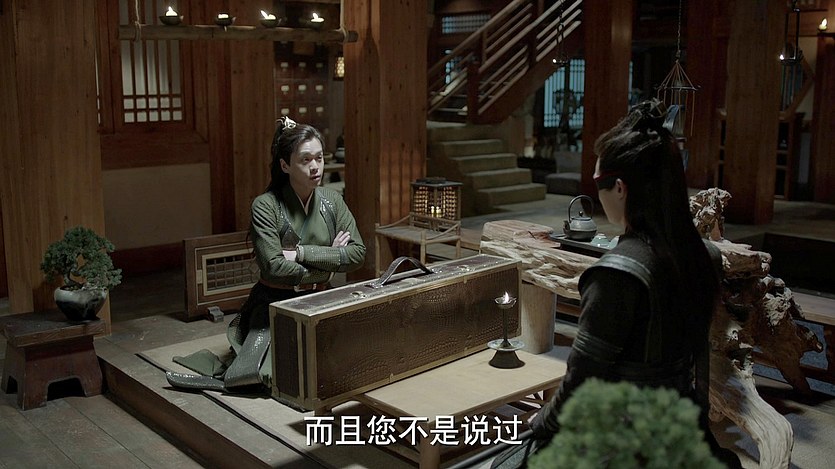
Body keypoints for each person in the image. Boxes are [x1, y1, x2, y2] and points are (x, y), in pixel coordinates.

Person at [492, 99, 739, 468]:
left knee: (505, 464)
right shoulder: (705, 255)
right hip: (679, 420)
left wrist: (543, 421)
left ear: (620, 188)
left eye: (598, 183)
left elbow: (582, 381)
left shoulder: (618, 272)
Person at [167, 116, 366, 392]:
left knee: (355, 361)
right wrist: (330, 259)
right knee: (267, 376)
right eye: (305, 160)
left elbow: (358, 254)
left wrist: (300, 253)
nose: (315, 167)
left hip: (321, 299)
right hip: (277, 303)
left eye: (319, 158)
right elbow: (273, 267)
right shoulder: (266, 206)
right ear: (285, 165)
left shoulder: (332, 201)